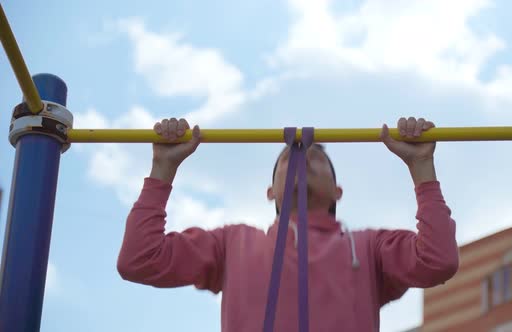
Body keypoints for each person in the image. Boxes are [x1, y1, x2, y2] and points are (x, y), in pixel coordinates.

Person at [117, 116, 459, 332]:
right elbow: (139, 261)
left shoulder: (370, 247)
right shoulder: (232, 243)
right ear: (271, 192)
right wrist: (163, 168)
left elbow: (438, 261)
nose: (301, 158)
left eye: (317, 158)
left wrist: (422, 167)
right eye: (287, 158)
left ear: (338, 191)